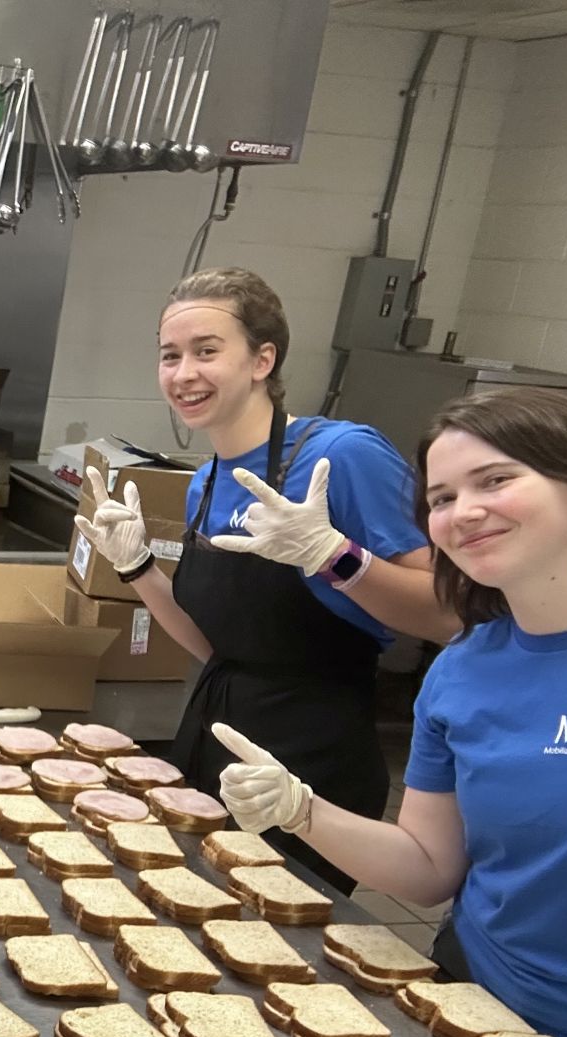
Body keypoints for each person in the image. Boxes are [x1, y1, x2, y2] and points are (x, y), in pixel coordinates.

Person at [213, 388, 567, 1037]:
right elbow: (427, 868)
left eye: (497, 480)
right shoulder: (463, 669)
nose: (463, 512)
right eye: (440, 498)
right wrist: (301, 810)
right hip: (483, 1026)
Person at [74, 267, 458, 892]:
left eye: (206, 350)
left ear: (262, 359)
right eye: (170, 356)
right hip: (213, 746)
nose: (183, 373)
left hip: (313, 761)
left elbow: (447, 614)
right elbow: (215, 648)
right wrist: (137, 566)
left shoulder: (341, 455)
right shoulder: (205, 480)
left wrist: (335, 557)